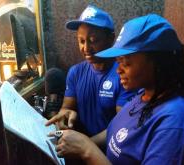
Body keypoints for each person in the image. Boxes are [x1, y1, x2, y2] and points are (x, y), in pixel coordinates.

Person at [50, 14, 184, 165]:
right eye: (118, 61)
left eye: (126, 62)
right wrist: (77, 142)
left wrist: (86, 149)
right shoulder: (143, 96)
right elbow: (114, 133)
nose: (119, 70)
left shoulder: (177, 123)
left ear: (158, 63)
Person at [46, 5, 135, 147]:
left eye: (93, 40)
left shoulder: (123, 75)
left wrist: (84, 145)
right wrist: (65, 115)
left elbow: (122, 127)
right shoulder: (75, 72)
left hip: (110, 154)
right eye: (81, 41)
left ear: (111, 38)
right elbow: (67, 107)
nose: (86, 48)